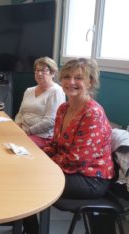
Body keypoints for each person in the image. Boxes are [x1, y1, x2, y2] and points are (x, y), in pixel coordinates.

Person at [23, 58, 115, 234]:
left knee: (29, 182)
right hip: (66, 168)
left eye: (79, 78)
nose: (71, 82)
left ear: (90, 82)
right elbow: (55, 144)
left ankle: (32, 231)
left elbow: (77, 160)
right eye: (66, 76)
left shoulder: (92, 113)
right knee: (25, 171)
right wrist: (38, 157)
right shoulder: (63, 109)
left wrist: (44, 165)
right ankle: (30, 229)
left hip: (90, 179)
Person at [15, 57, 65, 148]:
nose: (39, 73)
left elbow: (50, 121)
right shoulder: (29, 90)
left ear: (53, 73)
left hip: (43, 137)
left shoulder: (56, 91)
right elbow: (20, 113)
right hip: (23, 132)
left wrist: (27, 131)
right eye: (37, 70)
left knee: (16, 144)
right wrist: (17, 127)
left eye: (44, 71)